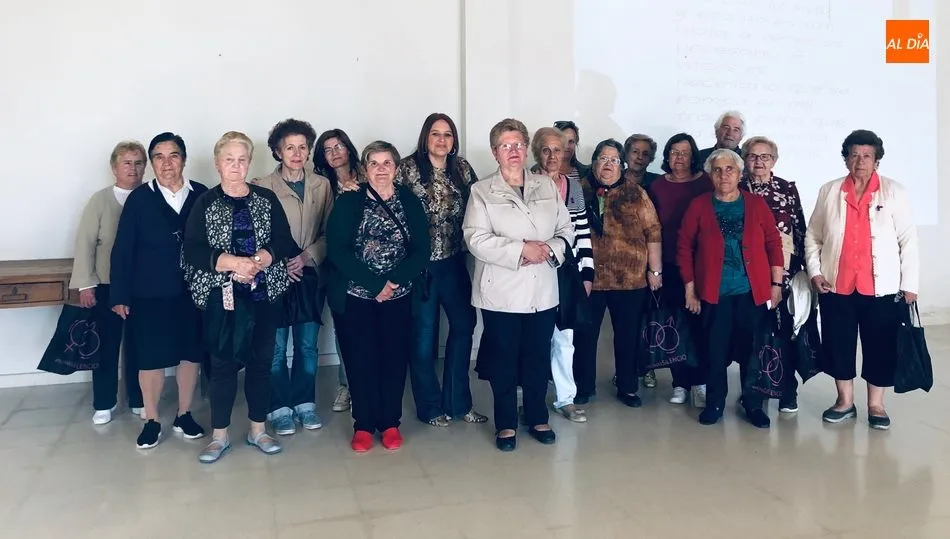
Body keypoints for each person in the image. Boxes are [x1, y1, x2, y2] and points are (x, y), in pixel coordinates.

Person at [183, 131, 297, 463]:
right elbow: (193, 248)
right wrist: (233, 263)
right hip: (223, 298)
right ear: (218, 164)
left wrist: (257, 262)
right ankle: (219, 437)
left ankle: (258, 430)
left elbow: (283, 239)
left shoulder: (266, 198)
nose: (236, 166)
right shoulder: (204, 203)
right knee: (222, 367)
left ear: (250, 162)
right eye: (229, 160)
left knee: (261, 364)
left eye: (242, 159)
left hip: (263, 296)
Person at [464, 118, 574, 451]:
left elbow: (565, 231)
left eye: (519, 144)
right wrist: (520, 250)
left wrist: (548, 250)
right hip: (501, 292)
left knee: (537, 357)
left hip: (543, 288)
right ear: (495, 152)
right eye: (506, 145)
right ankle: (506, 423)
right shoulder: (482, 190)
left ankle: (538, 416)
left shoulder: (546, 186)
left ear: (527, 149)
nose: (514, 151)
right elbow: (475, 239)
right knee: (504, 359)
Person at [805, 129, 919, 430]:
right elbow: (813, 236)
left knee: (880, 345)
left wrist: (910, 284)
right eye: (854, 155)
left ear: (877, 160)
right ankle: (844, 401)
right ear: (846, 159)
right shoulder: (830, 190)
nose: (860, 161)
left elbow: (908, 239)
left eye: (867, 156)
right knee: (838, 343)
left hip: (881, 288)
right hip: (836, 285)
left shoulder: (894, 192)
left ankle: (876, 404)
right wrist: (816, 272)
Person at [326, 141, 431, 453]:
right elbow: (337, 250)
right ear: (365, 169)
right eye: (375, 163)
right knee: (361, 361)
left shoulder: (409, 201)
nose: (382, 169)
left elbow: (422, 250)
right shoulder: (348, 202)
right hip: (356, 296)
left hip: (399, 296)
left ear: (396, 168)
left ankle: (389, 423)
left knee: (394, 360)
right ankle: (363, 424)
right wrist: (375, 284)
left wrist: (395, 281)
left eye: (388, 163)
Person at [110, 132, 207, 449]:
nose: (167, 163)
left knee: (190, 354)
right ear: (152, 163)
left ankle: (184, 413)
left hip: (193, 293)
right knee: (150, 359)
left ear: (184, 159)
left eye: (173, 155)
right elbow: (123, 250)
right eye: (159, 157)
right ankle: (151, 419)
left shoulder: (202, 195)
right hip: (149, 293)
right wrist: (120, 295)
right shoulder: (140, 199)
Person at [678, 149, 784, 428]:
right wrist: (690, 289)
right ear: (710, 174)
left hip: (752, 293)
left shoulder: (756, 204)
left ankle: (753, 404)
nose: (724, 175)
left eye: (730, 170)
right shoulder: (699, 206)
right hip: (714, 294)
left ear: (739, 174)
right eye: (717, 170)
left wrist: (776, 283)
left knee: (752, 351)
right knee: (715, 351)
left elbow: (774, 243)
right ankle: (715, 403)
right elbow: (684, 248)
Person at [395, 113, 487, 427]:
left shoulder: (461, 168)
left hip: (452, 261)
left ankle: (458, 403)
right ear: (425, 137)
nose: (441, 140)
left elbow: (478, 207)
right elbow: (390, 209)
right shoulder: (406, 168)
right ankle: (430, 407)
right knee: (422, 338)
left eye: (448, 134)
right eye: (435, 134)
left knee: (463, 327)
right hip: (419, 265)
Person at [251, 119, 334, 435]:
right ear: (277, 151)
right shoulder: (262, 186)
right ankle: (279, 408)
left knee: (307, 346)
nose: (297, 153)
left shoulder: (321, 186)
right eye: (290, 147)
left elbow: (329, 232)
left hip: (310, 277)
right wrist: (280, 260)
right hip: (274, 277)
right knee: (274, 348)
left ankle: (304, 404)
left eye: (303, 147)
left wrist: (307, 256)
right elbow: (256, 235)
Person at [574, 139, 662, 408]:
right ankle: (583, 386)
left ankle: (627, 386)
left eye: (614, 160)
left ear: (622, 166)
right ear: (594, 162)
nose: (608, 164)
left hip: (630, 279)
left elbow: (653, 232)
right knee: (585, 335)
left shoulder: (636, 193)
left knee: (627, 336)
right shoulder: (579, 190)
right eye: (603, 158)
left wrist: (655, 271)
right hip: (590, 278)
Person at [71, 140, 146, 425]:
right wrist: (85, 284)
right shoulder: (100, 200)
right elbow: (85, 242)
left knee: (139, 345)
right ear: (114, 167)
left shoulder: (151, 197)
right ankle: (104, 402)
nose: (133, 168)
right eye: (127, 162)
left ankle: (139, 398)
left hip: (142, 286)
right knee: (106, 346)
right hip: (105, 285)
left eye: (138, 162)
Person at [740, 135, 808, 413]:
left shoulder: (787, 189)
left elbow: (800, 228)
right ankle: (752, 392)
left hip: (785, 275)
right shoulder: (736, 187)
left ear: (774, 160)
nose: (758, 162)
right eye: (753, 156)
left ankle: (787, 391)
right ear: (745, 159)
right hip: (746, 275)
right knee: (751, 336)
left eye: (764, 156)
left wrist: (803, 270)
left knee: (784, 334)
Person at [530, 126, 593, 423]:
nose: (553, 155)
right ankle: (526, 397)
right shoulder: (524, 181)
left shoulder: (572, 184)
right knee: (532, 339)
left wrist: (587, 272)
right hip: (530, 272)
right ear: (536, 152)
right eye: (546, 149)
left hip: (565, 273)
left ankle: (565, 398)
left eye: (559, 149)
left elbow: (581, 232)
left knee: (564, 338)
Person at [646, 133, 712, 407]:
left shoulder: (706, 183)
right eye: (674, 152)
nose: (679, 157)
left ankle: (700, 382)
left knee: (702, 325)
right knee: (675, 324)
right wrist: (655, 270)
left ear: (693, 155)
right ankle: (680, 382)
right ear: (667, 156)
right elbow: (650, 228)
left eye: (684, 152)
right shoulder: (658, 186)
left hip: (703, 265)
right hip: (670, 264)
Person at [314, 128, 362, 413]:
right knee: (343, 327)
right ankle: (347, 386)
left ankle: (367, 382)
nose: (334, 153)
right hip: (336, 265)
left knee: (369, 328)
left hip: (371, 264)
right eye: (328, 149)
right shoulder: (321, 185)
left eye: (339, 146)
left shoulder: (368, 174)